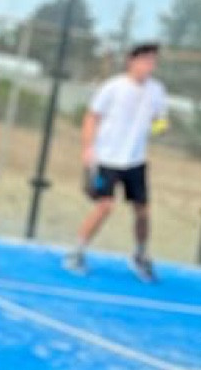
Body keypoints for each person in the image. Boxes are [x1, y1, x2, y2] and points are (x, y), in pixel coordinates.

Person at [64, 42, 169, 283]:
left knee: (143, 211)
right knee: (105, 206)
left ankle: (140, 255)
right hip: (107, 158)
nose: (149, 65)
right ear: (132, 61)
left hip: (136, 161)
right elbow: (92, 117)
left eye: (153, 61)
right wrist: (88, 148)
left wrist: (160, 126)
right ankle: (76, 252)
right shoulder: (113, 87)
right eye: (145, 60)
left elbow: (159, 120)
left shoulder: (157, 91)